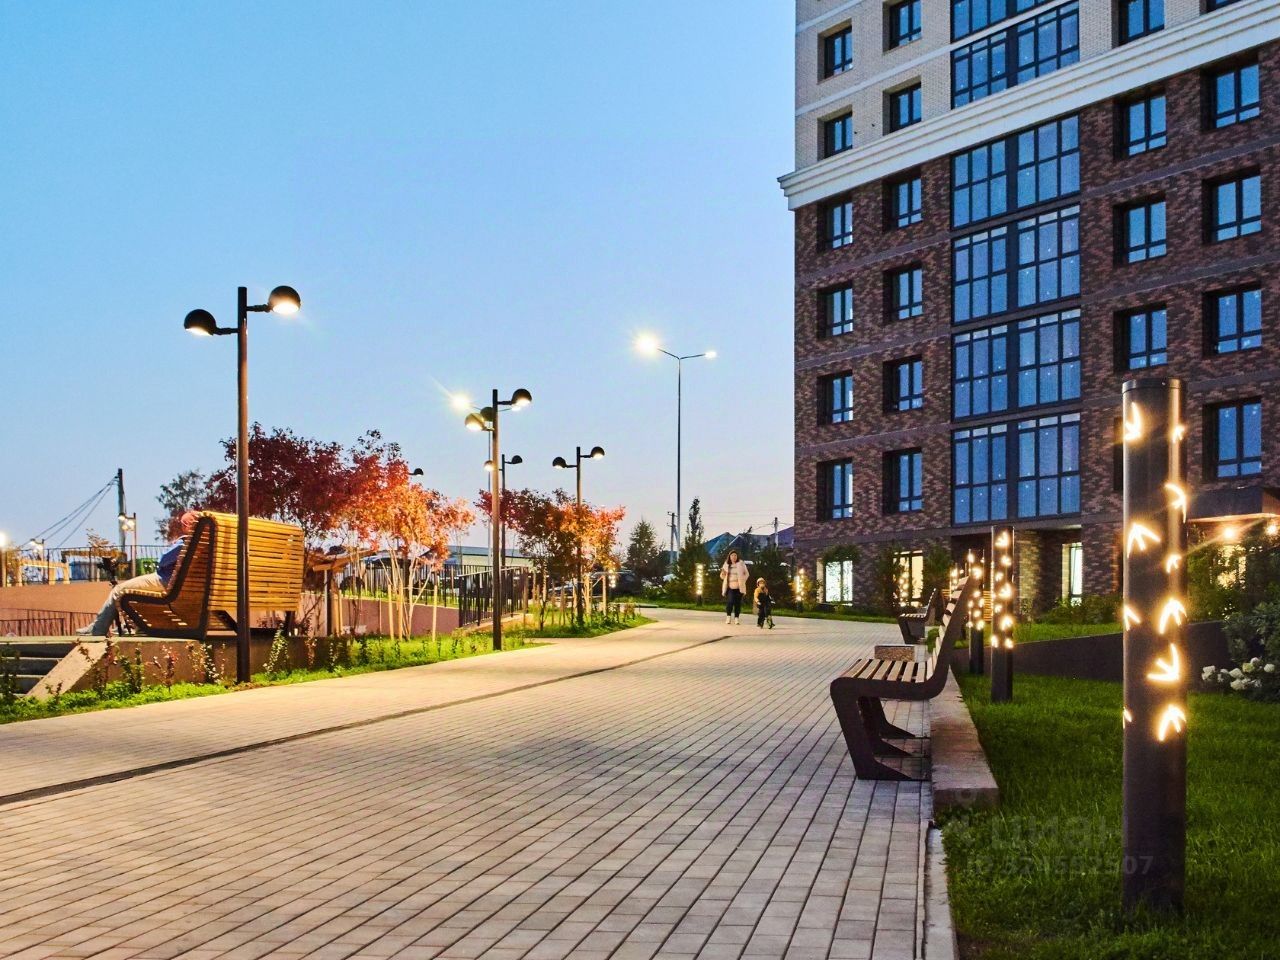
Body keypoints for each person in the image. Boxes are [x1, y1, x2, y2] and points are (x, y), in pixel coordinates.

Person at [77, 511, 199, 637]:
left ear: (187, 525)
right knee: (135, 594)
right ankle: (131, 626)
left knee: (117, 590)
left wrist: (174, 544)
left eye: (182, 524)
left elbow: (162, 561)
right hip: (180, 586)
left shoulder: (184, 543)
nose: (181, 527)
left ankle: (97, 630)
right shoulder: (202, 545)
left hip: (165, 581)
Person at [720, 549, 750, 625]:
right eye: (732, 555)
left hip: (739, 587)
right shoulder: (726, 564)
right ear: (729, 557)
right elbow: (722, 576)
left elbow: (747, 574)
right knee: (730, 602)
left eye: (735, 555)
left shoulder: (741, 563)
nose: (734, 557)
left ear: (737, 556)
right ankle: (728, 617)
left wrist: (742, 580)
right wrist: (724, 575)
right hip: (730, 587)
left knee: (737, 603)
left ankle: (736, 618)